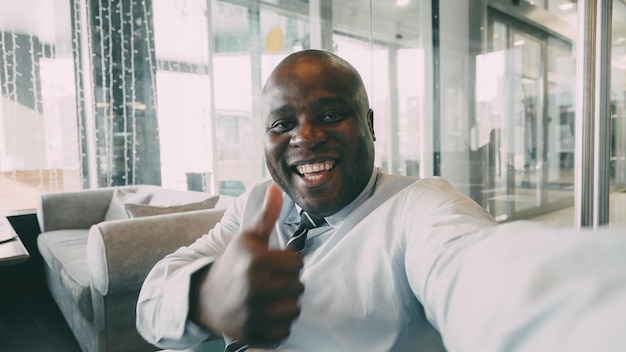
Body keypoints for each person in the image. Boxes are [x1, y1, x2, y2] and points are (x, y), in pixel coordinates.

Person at [138, 49, 584, 351]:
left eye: (331, 115)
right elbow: (150, 306)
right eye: (283, 123)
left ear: (369, 124)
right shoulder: (258, 203)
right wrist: (202, 297)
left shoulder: (420, 208)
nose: (305, 137)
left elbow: (485, 278)